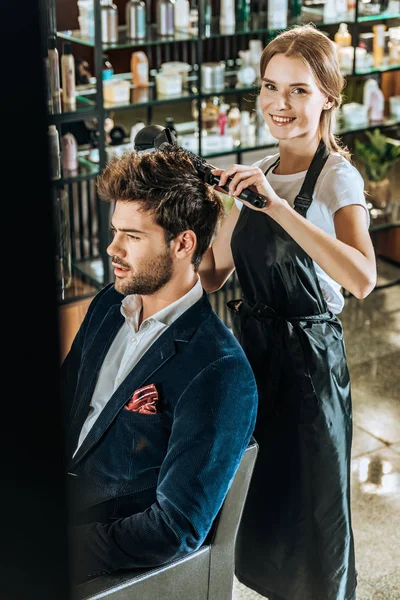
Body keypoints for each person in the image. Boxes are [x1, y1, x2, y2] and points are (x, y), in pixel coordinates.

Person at [199, 24, 377, 600]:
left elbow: (363, 278)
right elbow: (213, 272)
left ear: (328, 96)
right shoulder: (260, 172)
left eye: (299, 90)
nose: (281, 104)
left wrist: (276, 209)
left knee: (314, 512)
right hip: (253, 360)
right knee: (262, 506)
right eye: (271, 88)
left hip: (309, 369)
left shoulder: (337, 178)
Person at [62, 146, 258, 584]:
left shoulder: (219, 371)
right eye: (115, 231)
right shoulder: (108, 305)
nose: (112, 248)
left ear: (183, 243)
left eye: (132, 236)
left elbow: (175, 528)